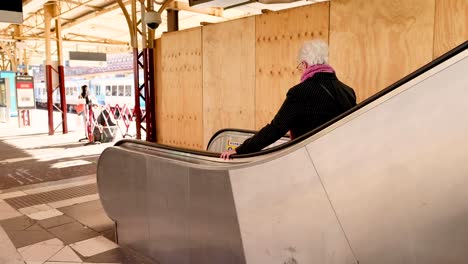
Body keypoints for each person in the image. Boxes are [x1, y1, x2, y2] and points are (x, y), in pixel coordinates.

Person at [220, 40, 357, 159]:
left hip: (311, 163)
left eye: (300, 67)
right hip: (341, 161)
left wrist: (239, 150)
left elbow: (275, 129)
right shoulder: (347, 91)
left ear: (305, 64)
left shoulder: (300, 92)